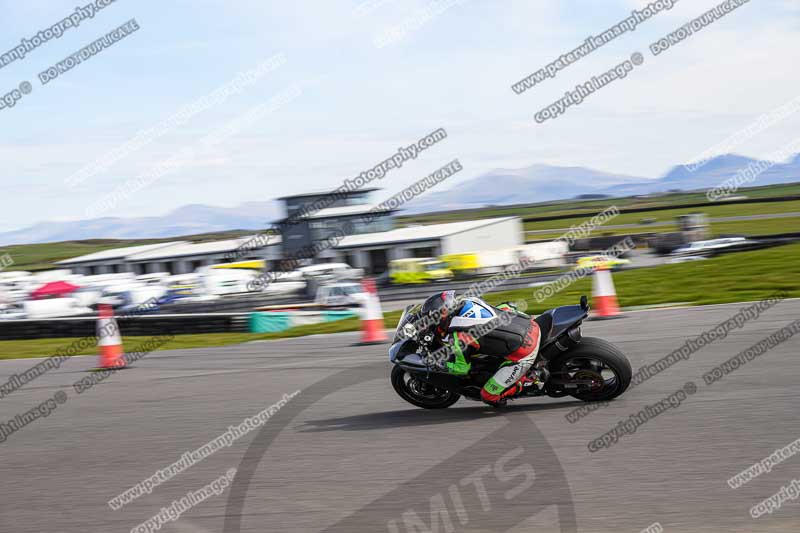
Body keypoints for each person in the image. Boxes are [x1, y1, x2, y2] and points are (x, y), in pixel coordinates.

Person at [419, 290, 542, 406]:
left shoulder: (459, 336)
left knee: (488, 396)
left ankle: (526, 381)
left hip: (524, 351)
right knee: (503, 307)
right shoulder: (469, 301)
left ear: (442, 315)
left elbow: (462, 369)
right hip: (528, 322)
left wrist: (439, 365)